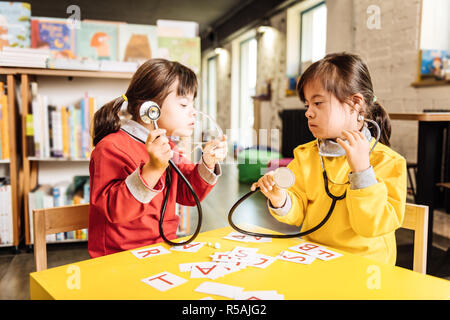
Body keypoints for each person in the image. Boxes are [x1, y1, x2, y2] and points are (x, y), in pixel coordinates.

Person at [251, 53, 406, 265]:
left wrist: (362, 172)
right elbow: (298, 213)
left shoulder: (388, 162)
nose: (308, 113)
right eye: (307, 105)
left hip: (365, 267)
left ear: (355, 104)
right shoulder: (305, 155)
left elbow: (371, 227)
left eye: (318, 103)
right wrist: (280, 199)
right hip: (312, 258)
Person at [89, 58, 227, 258]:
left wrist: (207, 162)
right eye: (183, 104)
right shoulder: (110, 148)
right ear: (150, 109)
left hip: (163, 250)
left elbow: (188, 194)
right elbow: (114, 211)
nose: (193, 112)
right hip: (119, 257)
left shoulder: (167, 146)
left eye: (192, 104)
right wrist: (153, 169)